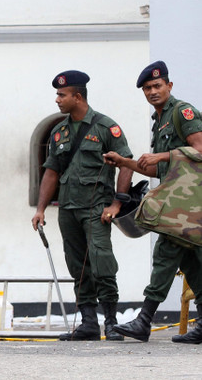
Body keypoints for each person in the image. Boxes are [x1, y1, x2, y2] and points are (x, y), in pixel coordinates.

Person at [31, 70, 133, 341]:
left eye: (61, 95)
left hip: (96, 207)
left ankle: (111, 322)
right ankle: (88, 322)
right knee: (77, 265)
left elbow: (126, 164)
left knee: (101, 261)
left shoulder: (105, 127)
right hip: (68, 208)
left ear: (78, 97)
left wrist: (117, 203)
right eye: (57, 94)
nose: (57, 99)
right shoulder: (58, 131)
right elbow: (51, 171)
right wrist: (40, 209)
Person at [104, 61, 202, 344]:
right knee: (192, 261)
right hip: (182, 203)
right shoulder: (160, 121)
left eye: (157, 86)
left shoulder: (183, 112)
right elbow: (155, 169)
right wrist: (124, 162)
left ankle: (144, 320)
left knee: (166, 251)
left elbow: (199, 149)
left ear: (169, 86)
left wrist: (163, 155)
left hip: (190, 202)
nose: (152, 91)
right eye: (147, 88)